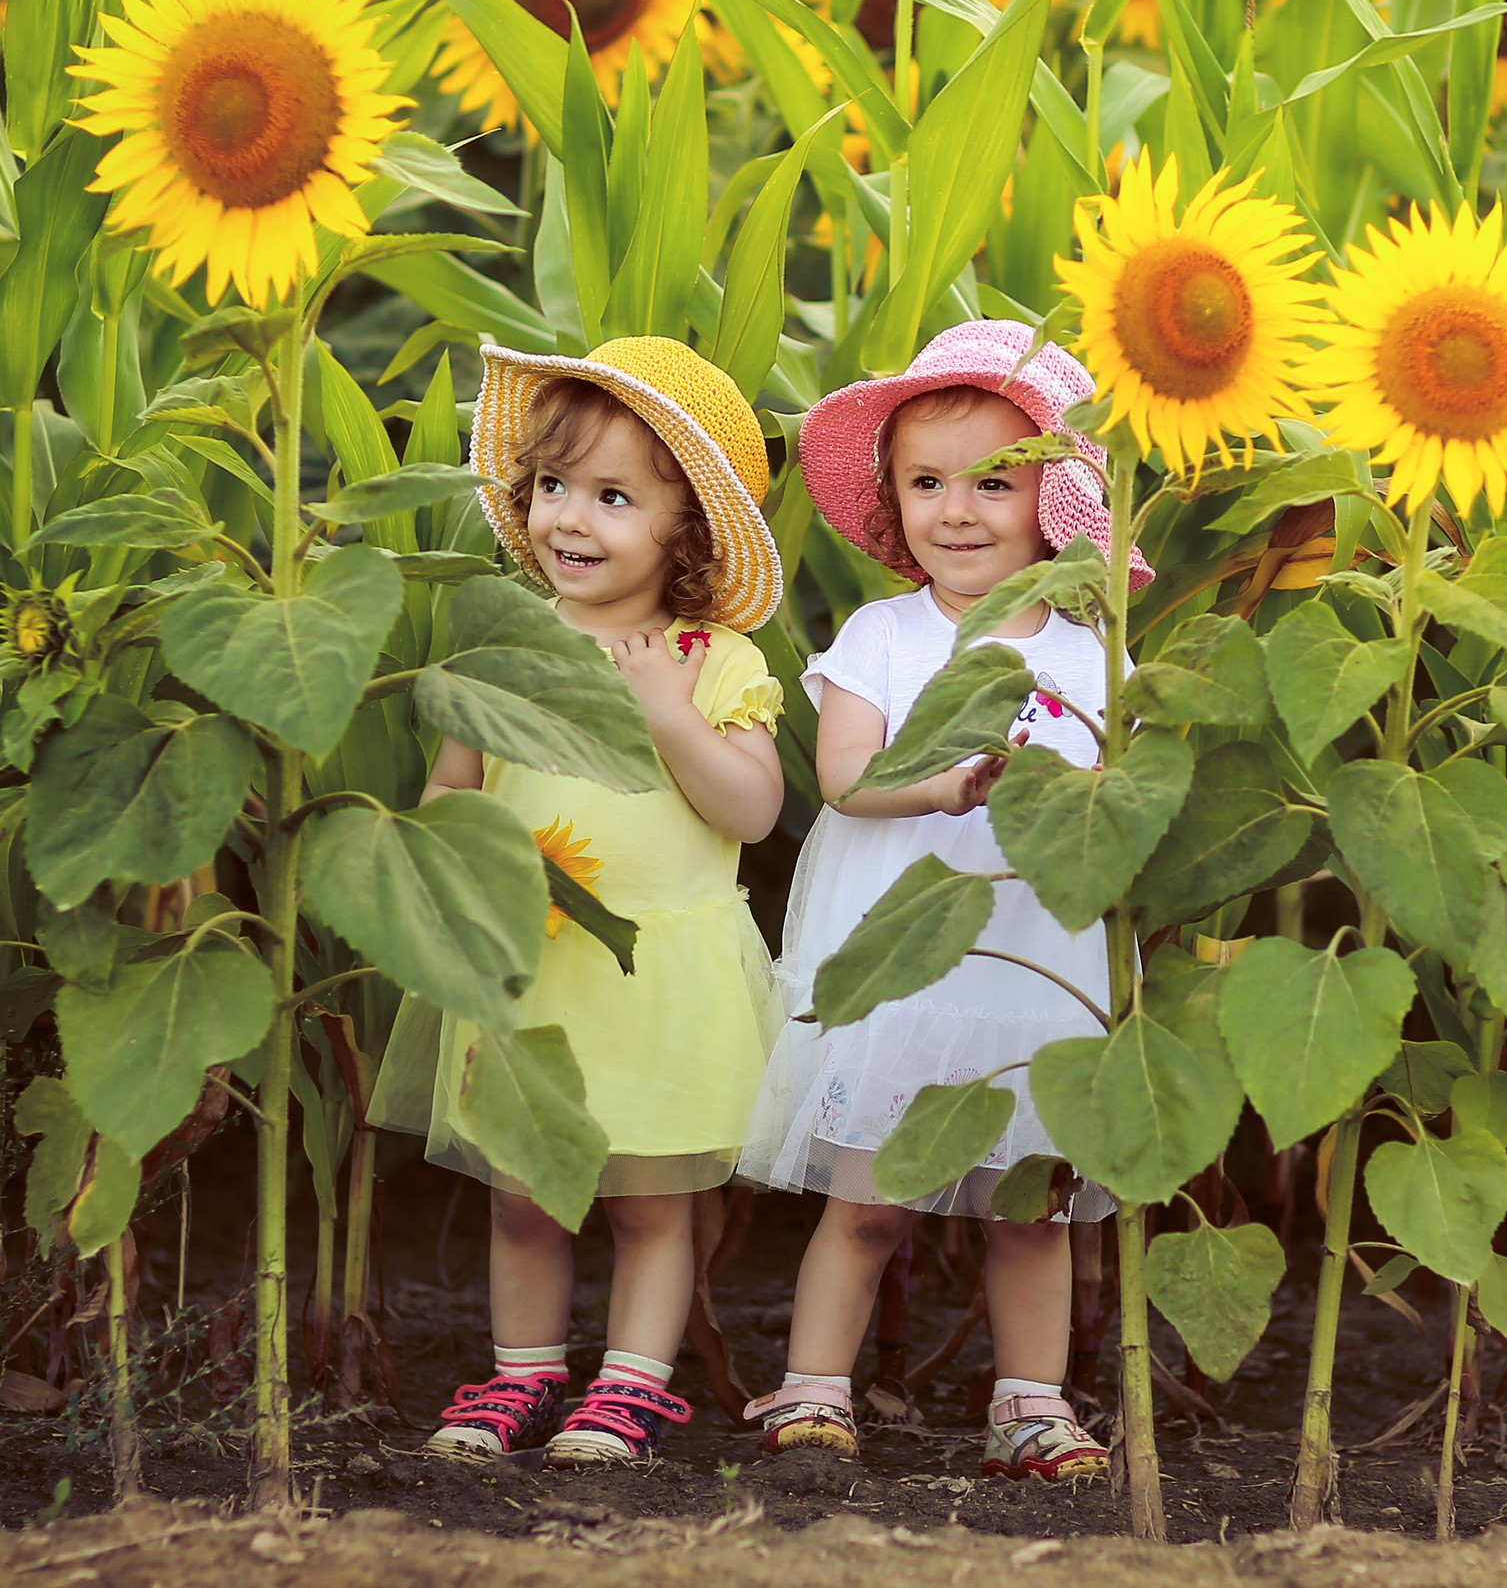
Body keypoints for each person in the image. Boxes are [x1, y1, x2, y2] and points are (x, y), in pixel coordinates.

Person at [736, 320, 1151, 1482]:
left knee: (1033, 1210)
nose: (956, 511)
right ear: (894, 500)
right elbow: (844, 780)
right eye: (926, 483)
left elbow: (1119, 793)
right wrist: (955, 782)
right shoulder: (884, 634)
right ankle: (814, 1390)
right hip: (905, 967)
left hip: (1036, 971)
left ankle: (1030, 1404)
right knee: (869, 1204)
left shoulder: (1091, 652)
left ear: (1054, 500)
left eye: (991, 483)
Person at [372, 337, 788, 1468]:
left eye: (613, 497)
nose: (571, 518)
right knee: (525, 1190)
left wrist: (670, 709)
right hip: (528, 964)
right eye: (554, 486)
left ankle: (633, 1385)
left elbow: (751, 810)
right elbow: (453, 785)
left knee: (652, 1204)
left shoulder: (712, 658)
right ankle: (520, 1375)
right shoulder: (506, 644)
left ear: (684, 532)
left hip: (659, 975)